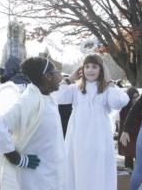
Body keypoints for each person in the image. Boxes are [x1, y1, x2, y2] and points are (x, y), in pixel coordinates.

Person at [0, 57, 66, 190]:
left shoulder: (47, 97)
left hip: (52, 170)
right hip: (35, 176)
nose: (60, 76)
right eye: (56, 71)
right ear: (48, 76)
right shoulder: (29, 100)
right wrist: (17, 158)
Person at [56, 53, 129, 190]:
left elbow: (119, 102)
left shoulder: (107, 89)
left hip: (99, 137)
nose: (90, 70)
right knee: (78, 168)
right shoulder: (75, 88)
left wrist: (110, 82)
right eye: (87, 66)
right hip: (78, 138)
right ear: (81, 70)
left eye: (94, 67)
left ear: (101, 69)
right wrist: (69, 79)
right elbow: (58, 97)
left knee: (98, 169)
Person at [118, 87, 142, 169]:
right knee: (128, 158)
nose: (136, 99)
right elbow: (123, 124)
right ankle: (128, 177)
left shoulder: (140, 107)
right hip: (128, 136)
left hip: (137, 135)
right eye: (134, 97)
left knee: (138, 158)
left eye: (137, 96)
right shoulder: (124, 109)